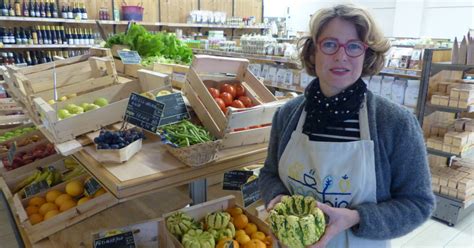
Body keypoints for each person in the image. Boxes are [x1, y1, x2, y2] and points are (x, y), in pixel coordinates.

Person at [258, 4, 435, 248]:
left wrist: (356, 217)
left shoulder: (395, 123)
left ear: (367, 55)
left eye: (354, 46)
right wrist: (278, 199)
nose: (341, 56)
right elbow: (268, 174)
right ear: (312, 52)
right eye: (330, 44)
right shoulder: (287, 115)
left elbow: (418, 204)